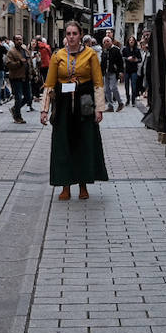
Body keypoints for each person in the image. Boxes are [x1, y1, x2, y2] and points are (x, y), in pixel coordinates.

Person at [40, 20, 108, 199]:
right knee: (63, 145)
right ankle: (65, 186)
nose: (71, 37)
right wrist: (44, 110)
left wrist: (99, 108)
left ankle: (83, 185)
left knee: (84, 144)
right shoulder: (58, 55)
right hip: (62, 105)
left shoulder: (91, 55)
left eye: (74, 34)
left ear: (80, 35)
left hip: (84, 103)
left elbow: (98, 82)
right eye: (68, 34)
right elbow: (49, 83)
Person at [6, 34, 31, 124]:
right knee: (18, 97)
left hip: (26, 77)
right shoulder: (11, 51)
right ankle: (17, 117)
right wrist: (19, 62)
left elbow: (29, 62)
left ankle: (15, 109)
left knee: (28, 97)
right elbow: (9, 64)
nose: (19, 41)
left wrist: (33, 74)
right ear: (14, 41)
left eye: (20, 39)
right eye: (17, 40)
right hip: (16, 78)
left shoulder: (25, 50)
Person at [102, 35, 125, 112]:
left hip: (113, 72)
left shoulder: (116, 50)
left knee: (113, 88)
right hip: (106, 72)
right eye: (104, 42)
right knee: (106, 90)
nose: (106, 43)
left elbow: (120, 62)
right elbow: (102, 62)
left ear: (111, 42)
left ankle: (120, 102)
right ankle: (110, 106)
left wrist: (121, 71)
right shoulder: (104, 51)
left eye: (107, 41)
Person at [122, 35, 142, 106]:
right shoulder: (125, 49)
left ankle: (133, 100)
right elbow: (122, 58)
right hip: (127, 70)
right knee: (126, 86)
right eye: (130, 40)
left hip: (134, 70)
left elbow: (140, 59)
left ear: (134, 42)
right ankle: (127, 100)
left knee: (134, 86)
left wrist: (136, 60)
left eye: (132, 40)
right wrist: (128, 58)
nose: (131, 41)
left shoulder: (137, 50)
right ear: (128, 41)